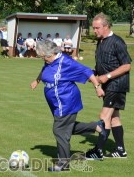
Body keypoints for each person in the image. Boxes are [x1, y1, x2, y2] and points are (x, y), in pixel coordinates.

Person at [30, 40, 106, 171]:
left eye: (44, 57)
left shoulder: (66, 62)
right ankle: (95, 126)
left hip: (66, 100)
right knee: (65, 127)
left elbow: (87, 71)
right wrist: (37, 80)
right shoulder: (49, 61)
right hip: (56, 101)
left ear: (51, 53)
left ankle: (63, 164)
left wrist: (97, 87)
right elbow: (45, 69)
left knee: (59, 130)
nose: (43, 60)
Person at [85, 12, 132, 160]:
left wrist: (107, 76)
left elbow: (127, 66)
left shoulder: (117, 41)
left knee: (103, 116)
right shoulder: (100, 41)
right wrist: (94, 75)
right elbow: (103, 65)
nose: (94, 31)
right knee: (114, 118)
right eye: (93, 28)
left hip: (117, 85)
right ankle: (120, 150)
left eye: (97, 28)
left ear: (106, 26)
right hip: (108, 85)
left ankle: (98, 151)